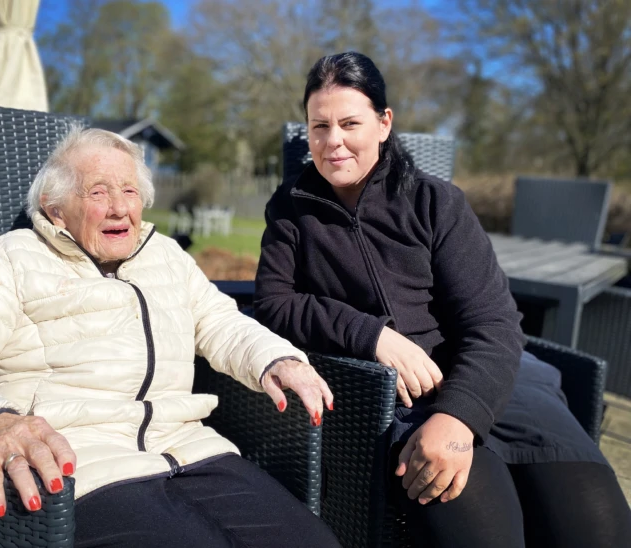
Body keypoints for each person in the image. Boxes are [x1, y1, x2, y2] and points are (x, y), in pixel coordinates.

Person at [0, 125, 340, 548]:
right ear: (54, 207)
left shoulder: (164, 255)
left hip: (195, 450)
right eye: (98, 191)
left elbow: (220, 322)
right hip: (85, 473)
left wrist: (274, 358)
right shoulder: (9, 261)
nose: (120, 209)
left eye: (129, 192)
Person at [254, 51, 631, 548]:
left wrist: (458, 418)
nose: (333, 141)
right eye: (319, 126)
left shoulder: (435, 201)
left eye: (350, 123)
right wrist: (373, 337)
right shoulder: (290, 209)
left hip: (497, 386)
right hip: (403, 404)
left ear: (384, 123)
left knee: (601, 530)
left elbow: (495, 323)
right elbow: (276, 303)